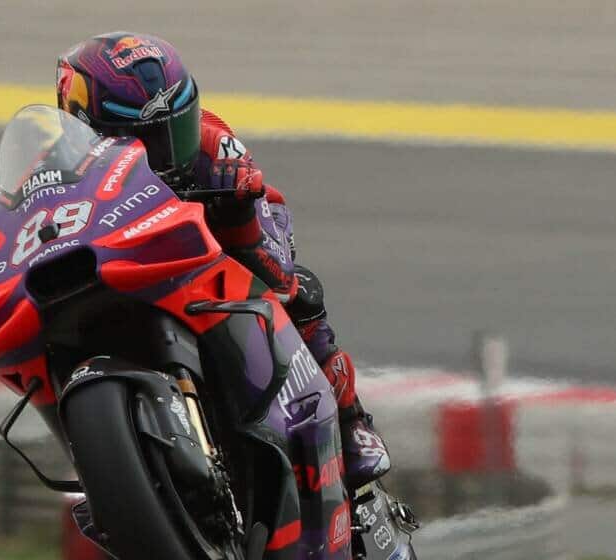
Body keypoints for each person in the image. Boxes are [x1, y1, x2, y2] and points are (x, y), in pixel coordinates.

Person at [56, 32, 390, 491]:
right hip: (115, 267)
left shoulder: (217, 146)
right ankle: (107, 469)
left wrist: (235, 213)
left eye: (175, 130)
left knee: (301, 294)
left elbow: (278, 277)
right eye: (141, 140)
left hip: (211, 256)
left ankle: (352, 423)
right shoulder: (57, 169)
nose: (166, 152)